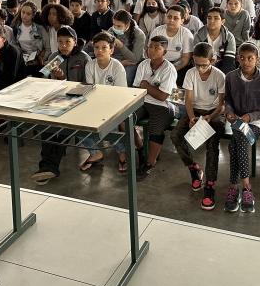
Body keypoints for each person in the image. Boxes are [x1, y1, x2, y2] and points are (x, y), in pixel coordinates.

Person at [169, 43, 227, 208]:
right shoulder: (190, 73)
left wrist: (210, 117)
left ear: (212, 60)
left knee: (212, 145)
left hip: (214, 115)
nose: (200, 68)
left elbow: (221, 105)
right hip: (195, 111)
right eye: (197, 64)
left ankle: (210, 184)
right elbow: (188, 100)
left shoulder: (219, 76)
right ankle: (193, 168)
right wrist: (193, 118)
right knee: (175, 135)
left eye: (204, 64)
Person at [31, 26, 90, 185]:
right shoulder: (53, 57)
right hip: (56, 100)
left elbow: (88, 85)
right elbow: (47, 84)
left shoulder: (84, 59)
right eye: (60, 42)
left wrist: (66, 80)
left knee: (65, 128)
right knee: (46, 126)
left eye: (67, 42)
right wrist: (58, 79)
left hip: (78, 101)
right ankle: (47, 166)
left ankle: (49, 167)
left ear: (75, 42)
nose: (63, 45)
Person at [223, 42, 260, 213]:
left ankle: (238, 186)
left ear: (257, 60)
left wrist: (251, 116)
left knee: (237, 142)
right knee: (237, 141)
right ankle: (243, 188)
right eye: (242, 58)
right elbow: (228, 100)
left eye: (250, 58)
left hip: (257, 122)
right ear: (237, 58)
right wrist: (229, 113)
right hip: (237, 120)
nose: (246, 62)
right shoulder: (231, 77)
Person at [80, 31, 129, 171]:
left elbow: (121, 94)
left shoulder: (117, 67)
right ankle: (95, 153)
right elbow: (91, 89)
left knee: (109, 126)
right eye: (96, 47)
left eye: (104, 47)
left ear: (111, 50)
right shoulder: (90, 65)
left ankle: (121, 153)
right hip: (95, 103)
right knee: (78, 124)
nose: (99, 51)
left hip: (115, 105)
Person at [133, 35, 178, 178]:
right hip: (143, 102)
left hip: (164, 105)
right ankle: (140, 148)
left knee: (155, 127)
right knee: (125, 119)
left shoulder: (169, 69)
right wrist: (149, 89)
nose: (152, 50)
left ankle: (149, 163)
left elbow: (163, 96)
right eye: (150, 47)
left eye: (157, 48)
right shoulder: (143, 64)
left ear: (164, 52)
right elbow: (137, 89)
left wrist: (146, 86)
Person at [148, 5, 194, 84]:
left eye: (176, 18)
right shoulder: (157, 31)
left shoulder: (186, 34)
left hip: (178, 66)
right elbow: (151, 52)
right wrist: (159, 68)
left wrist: (170, 69)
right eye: (169, 17)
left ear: (182, 20)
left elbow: (185, 58)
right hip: (158, 63)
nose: (171, 20)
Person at [193, 7, 237, 73]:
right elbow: (197, 59)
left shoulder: (229, 37)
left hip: (222, 67)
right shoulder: (199, 35)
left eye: (216, 18)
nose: (211, 21)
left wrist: (220, 77)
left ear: (222, 21)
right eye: (209, 18)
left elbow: (229, 61)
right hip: (203, 67)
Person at [11, 1, 49, 74]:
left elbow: (48, 48)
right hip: (23, 61)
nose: (24, 16)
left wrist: (40, 59)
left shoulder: (40, 29)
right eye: (23, 12)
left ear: (33, 15)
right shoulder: (16, 28)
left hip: (38, 61)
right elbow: (15, 47)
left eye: (28, 14)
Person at [111, 10, 145, 84]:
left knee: (125, 76)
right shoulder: (112, 30)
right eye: (114, 24)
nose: (115, 28)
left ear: (127, 25)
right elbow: (107, 53)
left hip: (132, 63)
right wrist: (120, 63)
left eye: (119, 26)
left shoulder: (139, 35)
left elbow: (135, 59)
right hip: (116, 60)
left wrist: (121, 46)